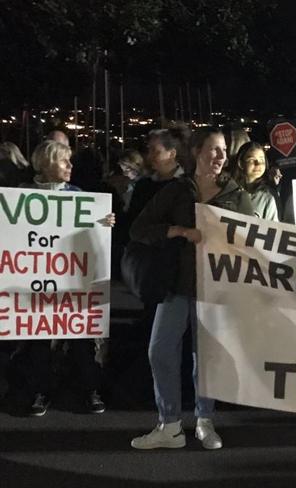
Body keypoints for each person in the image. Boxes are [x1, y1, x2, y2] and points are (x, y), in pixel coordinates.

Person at [130, 127, 254, 450]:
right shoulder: (177, 191)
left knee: (207, 358)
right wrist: (179, 231)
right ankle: (169, 424)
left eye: (224, 151)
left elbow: (256, 241)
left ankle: (204, 420)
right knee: (159, 350)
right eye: (214, 149)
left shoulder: (238, 196)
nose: (221, 156)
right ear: (197, 152)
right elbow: (140, 229)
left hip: (215, 291)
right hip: (177, 286)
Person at [20, 140, 114, 416]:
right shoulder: (22, 196)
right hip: (37, 282)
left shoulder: (77, 195)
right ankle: (41, 390)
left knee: (81, 337)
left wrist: (102, 222)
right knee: (40, 339)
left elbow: (84, 234)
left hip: (73, 280)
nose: (71, 167)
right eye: (64, 161)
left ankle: (89, 389)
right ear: (46, 164)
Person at [233, 141, 279, 221]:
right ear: (240, 163)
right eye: (252, 160)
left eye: (262, 160)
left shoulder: (268, 197)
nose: (258, 164)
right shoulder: (228, 191)